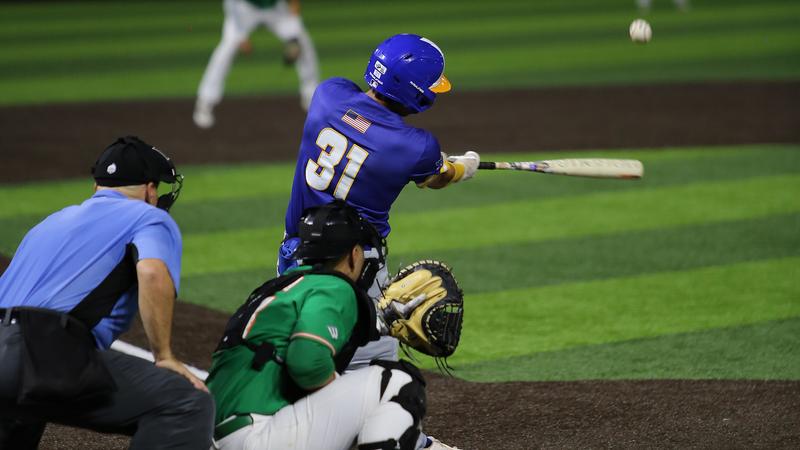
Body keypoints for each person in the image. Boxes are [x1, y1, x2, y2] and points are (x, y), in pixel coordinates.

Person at [277, 33, 475, 449]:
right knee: (378, 361)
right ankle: (399, 441)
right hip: (355, 267)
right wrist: (460, 168)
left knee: (312, 343)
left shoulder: (328, 94)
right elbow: (435, 178)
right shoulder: (417, 146)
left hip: (294, 254)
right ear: (417, 92)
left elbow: (361, 124)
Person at [0, 136, 214, 449]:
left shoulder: (51, 222)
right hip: (40, 353)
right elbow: (152, 271)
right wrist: (163, 355)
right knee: (185, 402)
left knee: (22, 407)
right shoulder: (149, 216)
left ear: (97, 186)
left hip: (10, 353)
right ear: (150, 189)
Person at [207, 201, 429, 450]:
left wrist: (381, 322)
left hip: (218, 434)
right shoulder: (335, 286)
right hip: (257, 436)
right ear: (355, 255)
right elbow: (307, 362)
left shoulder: (283, 288)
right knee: (398, 381)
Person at [193, 0, 320, 128]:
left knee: (302, 43)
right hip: (243, 9)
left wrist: (294, 15)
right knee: (227, 48)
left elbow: (294, 8)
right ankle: (205, 101)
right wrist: (241, 36)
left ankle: (310, 95)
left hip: (275, 8)